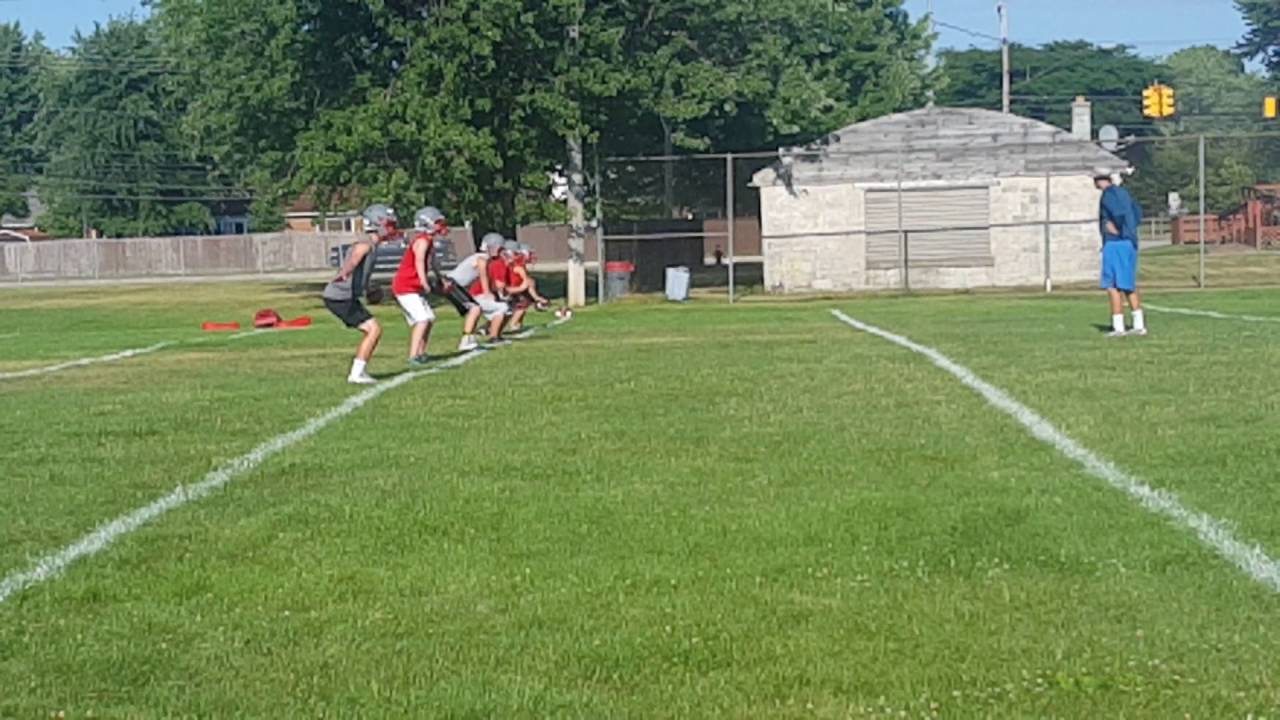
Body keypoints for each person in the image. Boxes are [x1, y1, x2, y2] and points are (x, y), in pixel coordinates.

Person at [323, 204, 399, 384]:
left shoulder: (373, 246)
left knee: (373, 329)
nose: (392, 229)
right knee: (374, 329)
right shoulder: (366, 244)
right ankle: (357, 373)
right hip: (340, 297)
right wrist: (347, 271)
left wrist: (369, 288)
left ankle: (358, 372)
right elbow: (357, 255)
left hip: (343, 296)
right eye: (389, 225)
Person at [391, 206, 447, 366]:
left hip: (411, 287)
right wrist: (424, 281)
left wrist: (440, 278)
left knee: (429, 318)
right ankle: (413, 355)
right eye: (437, 222)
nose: (440, 226)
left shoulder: (428, 240)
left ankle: (421, 352)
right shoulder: (422, 240)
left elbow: (433, 262)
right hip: (405, 286)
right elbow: (419, 261)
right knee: (422, 319)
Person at [1094, 168, 1146, 337]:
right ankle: (1138, 324)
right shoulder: (1125, 193)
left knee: (1112, 285)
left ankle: (1119, 327)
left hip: (1116, 244)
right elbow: (1137, 213)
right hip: (1128, 243)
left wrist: (1117, 228)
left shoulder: (1109, 195)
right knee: (1128, 284)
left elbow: (1118, 213)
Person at [443, 233, 510, 351]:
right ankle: (467, 339)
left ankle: (476, 336)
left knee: (480, 308)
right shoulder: (481, 258)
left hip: (455, 285)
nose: (500, 251)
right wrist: (487, 292)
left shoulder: (484, 258)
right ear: (490, 247)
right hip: (452, 284)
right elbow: (483, 276)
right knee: (475, 308)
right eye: (499, 248)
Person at [504, 242, 548, 333]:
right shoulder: (518, 267)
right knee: (522, 305)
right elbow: (527, 283)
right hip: (513, 290)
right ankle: (513, 324)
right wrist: (536, 297)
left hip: (515, 289)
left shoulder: (517, 265)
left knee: (524, 302)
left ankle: (518, 324)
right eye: (529, 253)